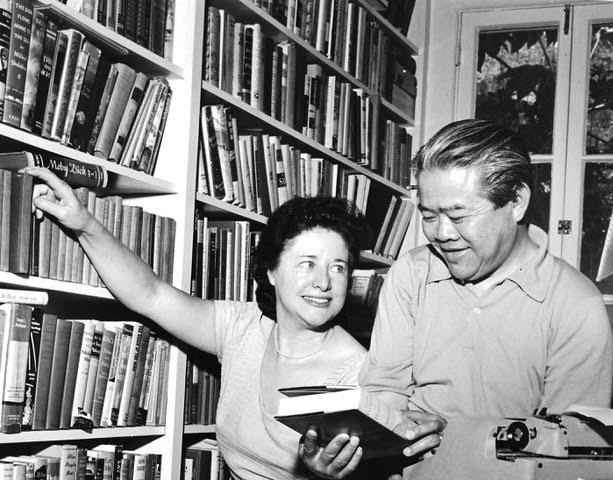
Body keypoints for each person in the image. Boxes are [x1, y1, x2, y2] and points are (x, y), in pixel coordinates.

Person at [26, 167, 445, 480]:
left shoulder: (361, 376)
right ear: (271, 273)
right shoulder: (242, 327)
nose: (323, 281)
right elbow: (150, 295)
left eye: (338, 267)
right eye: (307, 264)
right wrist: (83, 223)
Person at [301, 119, 613, 477]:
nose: (442, 234)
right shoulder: (411, 275)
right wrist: (351, 451)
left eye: (459, 215)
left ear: (516, 202)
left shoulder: (577, 306)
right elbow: (383, 393)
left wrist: (453, 436)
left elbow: (573, 455)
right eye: (429, 216)